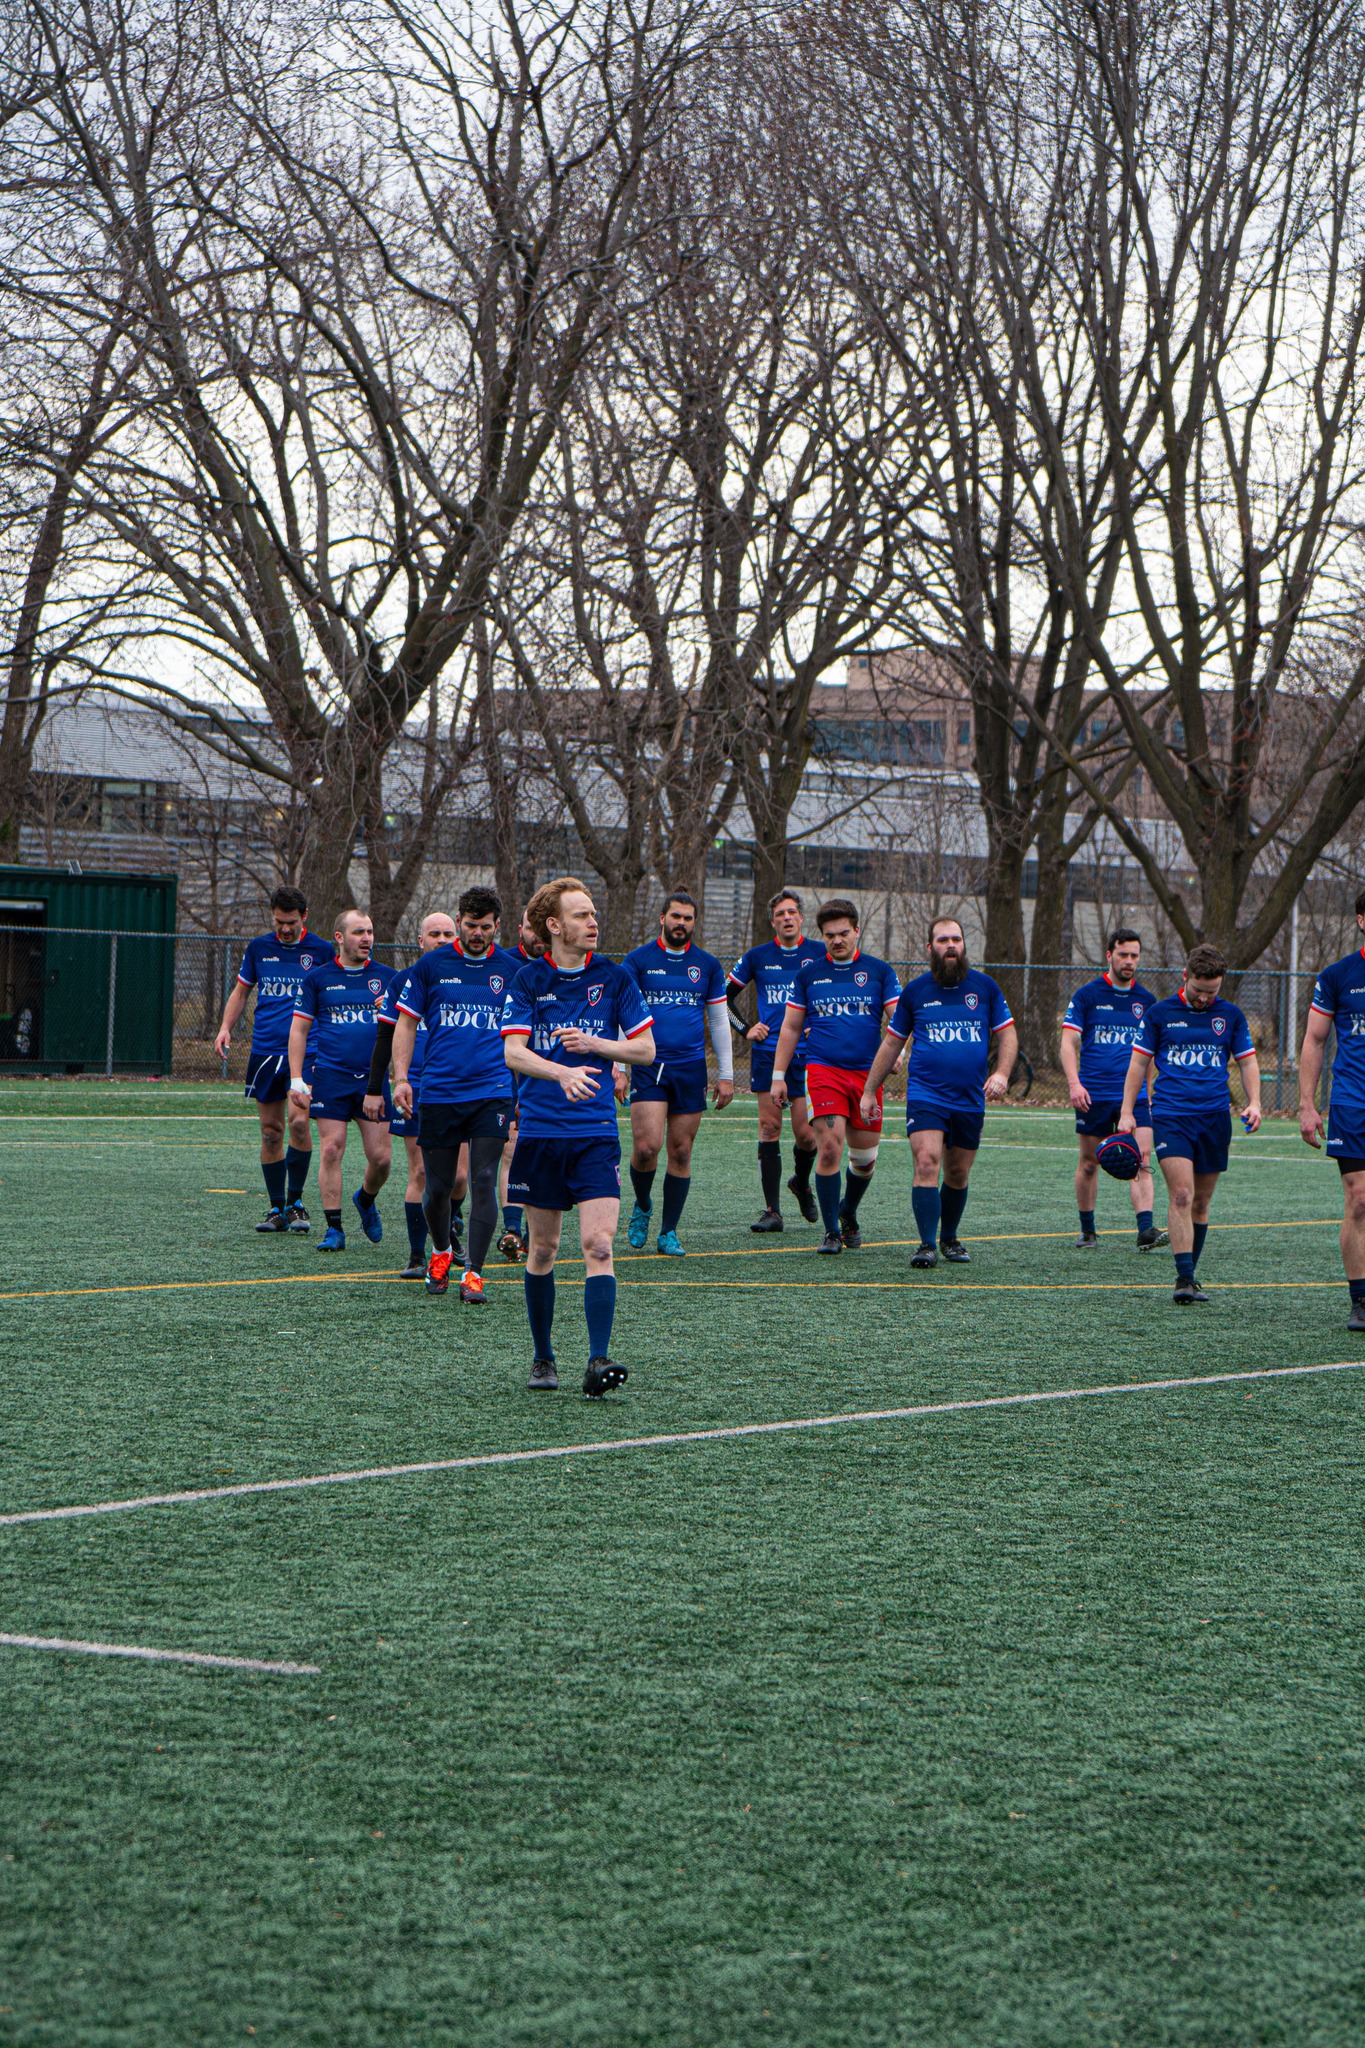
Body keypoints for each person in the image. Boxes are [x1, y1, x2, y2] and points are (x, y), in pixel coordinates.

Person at [500, 876, 656, 1395]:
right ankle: (543, 1358)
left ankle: (597, 1360)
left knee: (598, 1244)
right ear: (554, 926)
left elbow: (646, 1050)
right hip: (542, 1133)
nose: (593, 923)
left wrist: (596, 1045)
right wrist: (560, 1071)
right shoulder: (528, 980)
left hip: (594, 1134)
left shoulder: (615, 978)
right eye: (583, 915)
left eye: (594, 914)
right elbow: (513, 1053)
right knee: (542, 1250)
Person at [861, 917, 1016, 1269]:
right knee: (927, 1161)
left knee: (958, 1172)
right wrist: (871, 1089)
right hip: (926, 1094)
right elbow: (891, 1043)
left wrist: (1003, 1073)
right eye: (943, 940)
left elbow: (1007, 1034)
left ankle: (949, 1237)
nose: (951, 945)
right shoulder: (916, 992)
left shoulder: (986, 988)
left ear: (963, 946)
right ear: (930, 948)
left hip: (969, 1098)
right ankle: (927, 1244)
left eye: (956, 939)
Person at [390, 887, 518, 1306]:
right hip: (440, 1091)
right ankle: (442, 1250)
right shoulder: (430, 966)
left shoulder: (514, 970)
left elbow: (526, 1035)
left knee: (483, 1179)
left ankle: (475, 1274)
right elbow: (405, 1025)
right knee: (439, 1187)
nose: (477, 933)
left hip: (493, 1092)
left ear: (497, 925)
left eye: (485, 927)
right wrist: (402, 1078)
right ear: (459, 921)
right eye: (470, 925)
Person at [1119, 942, 1262, 1305]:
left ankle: (1192, 1274)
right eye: (1199, 991)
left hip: (1214, 1119)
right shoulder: (1159, 1014)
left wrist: (1255, 1102)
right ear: (1185, 977)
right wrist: (1127, 1111)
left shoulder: (1230, 1016)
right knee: (1181, 1194)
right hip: (1170, 1116)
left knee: (1201, 1202)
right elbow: (1137, 1064)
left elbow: (1247, 1063)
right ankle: (1183, 1279)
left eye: (1211, 992)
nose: (1203, 999)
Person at [768, 898, 900, 1254]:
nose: (837, 940)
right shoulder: (809, 975)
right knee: (829, 1147)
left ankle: (848, 1212)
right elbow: (791, 1027)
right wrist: (778, 1075)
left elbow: (900, 1020)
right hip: (822, 1070)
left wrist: (899, 1052)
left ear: (857, 932)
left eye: (843, 934)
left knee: (864, 1161)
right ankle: (830, 1232)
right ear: (822, 936)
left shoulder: (880, 972)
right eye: (829, 935)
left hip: (867, 1077)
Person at [619, 890, 734, 1255]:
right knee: (646, 1146)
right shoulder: (637, 960)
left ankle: (668, 1231)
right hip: (648, 1064)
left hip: (690, 1069)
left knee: (681, 1152)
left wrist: (726, 1073)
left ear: (694, 922)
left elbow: (718, 1020)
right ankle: (643, 1204)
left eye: (687, 918)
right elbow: (623, 1015)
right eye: (675, 916)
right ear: (662, 918)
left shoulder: (708, 965)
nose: (681, 923)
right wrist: (619, 1067)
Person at [214, 886, 329, 1233]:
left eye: (291, 922)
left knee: (298, 1122)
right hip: (265, 1050)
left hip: (308, 1051)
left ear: (304, 916)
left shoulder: (321, 951)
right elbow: (241, 991)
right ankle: (276, 1208)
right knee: (270, 1132)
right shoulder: (259, 948)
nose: (285, 929)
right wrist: (224, 1028)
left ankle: (297, 1204)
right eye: (279, 921)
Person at [288, 910, 393, 1252]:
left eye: (370, 931)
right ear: (339, 937)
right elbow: (299, 1030)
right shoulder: (318, 979)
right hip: (331, 1077)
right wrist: (296, 1078)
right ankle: (334, 1228)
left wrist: (392, 1010)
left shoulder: (388, 978)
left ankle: (365, 1198)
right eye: (359, 932)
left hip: (372, 1081)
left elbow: (409, 1026)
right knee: (331, 1149)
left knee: (381, 1159)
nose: (366, 938)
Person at [1060, 928, 1168, 1252]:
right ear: (1109, 955)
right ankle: (1088, 1231)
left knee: (1143, 1159)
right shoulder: (1087, 996)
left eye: (1135, 955)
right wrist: (1074, 1084)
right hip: (1093, 1095)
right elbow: (1068, 1042)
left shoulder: (1147, 1002)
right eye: (1123, 954)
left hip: (1135, 1100)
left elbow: (1152, 1055)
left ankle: (1146, 1230)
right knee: (1090, 1162)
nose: (1129, 961)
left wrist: (1147, 1093)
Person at [365, 908, 458, 1278]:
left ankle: (451, 1231)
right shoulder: (404, 980)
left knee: (460, 1177)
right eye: (434, 934)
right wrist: (377, 1087)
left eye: (448, 934)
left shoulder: (469, 978)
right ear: (420, 942)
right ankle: (419, 1256)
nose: (441, 940)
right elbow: (385, 1037)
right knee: (420, 1170)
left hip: (459, 1087)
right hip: (416, 1088)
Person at [726, 888, 823, 1231]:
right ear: (773, 921)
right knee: (769, 1128)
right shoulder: (757, 956)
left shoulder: (820, 954)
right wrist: (746, 1028)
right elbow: (721, 998)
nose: (786, 918)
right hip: (768, 1055)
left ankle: (800, 1181)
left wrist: (821, 1025)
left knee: (807, 1137)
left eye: (791, 912)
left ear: (800, 917)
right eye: (780, 913)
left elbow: (836, 993)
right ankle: (772, 1211)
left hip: (808, 1056)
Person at [1297, 888, 1365, 1330]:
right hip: (1353, 1102)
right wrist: (1306, 1104)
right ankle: (1361, 1300)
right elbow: (1315, 1040)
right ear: (1361, 919)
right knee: (1359, 1199)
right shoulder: (1339, 975)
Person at [497, 909, 548, 1262]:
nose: (534, 935)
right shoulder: (505, 965)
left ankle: (536, 1228)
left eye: (539, 928)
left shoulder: (561, 968)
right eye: (529, 927)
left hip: (547, 1074)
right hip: (509, 1071)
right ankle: (512, 1229)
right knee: (512, 1149)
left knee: (542, 1150)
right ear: (520, 929)